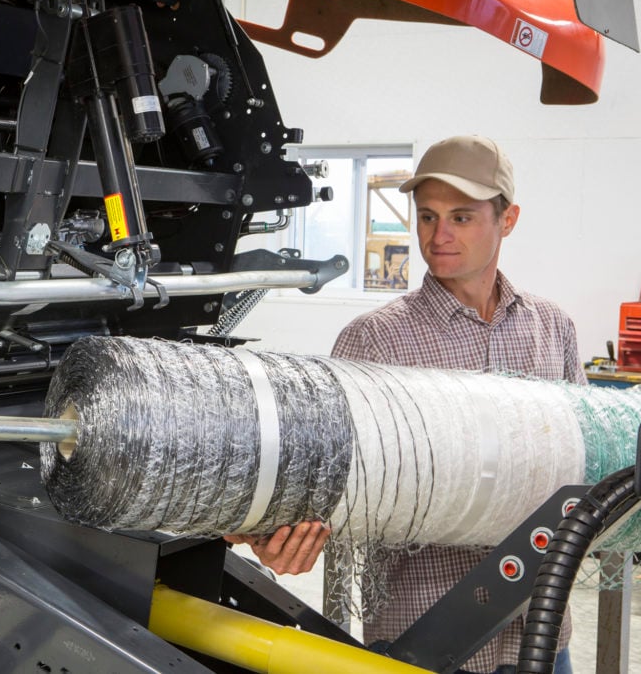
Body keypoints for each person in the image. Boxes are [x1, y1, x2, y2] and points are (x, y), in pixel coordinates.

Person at [226, 134, 585, 674]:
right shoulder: (375, 341)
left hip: (542, 632)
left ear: (506, 220)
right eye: (427, 217)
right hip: (428, 637)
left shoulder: (551, 328)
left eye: (461, 217)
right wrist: (270, 530)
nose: (438, 236)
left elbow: (584, 462)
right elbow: (333, 476)